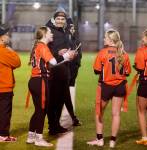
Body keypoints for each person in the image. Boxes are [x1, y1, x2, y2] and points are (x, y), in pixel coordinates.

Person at [26, 26, 75, 147]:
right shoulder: (42, 46)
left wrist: (65, 58)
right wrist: (66, 56)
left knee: (38, 110)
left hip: (35, 81)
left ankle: (31, 136)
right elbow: (53, 62)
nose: (52, 34)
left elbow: (51, 65)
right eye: (50, 33)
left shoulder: (38, 45)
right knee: (42, 110)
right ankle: (39, 138)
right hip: (40, 81)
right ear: (44, 34)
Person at [87, 29, 131, 148]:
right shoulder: (124, 53)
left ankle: (100, 140)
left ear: (111, 40)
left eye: (105, 37)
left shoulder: (103, 52)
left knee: (98, 112)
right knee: (116, 114)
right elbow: (127, 73)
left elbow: (96, 70)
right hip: (120, 87)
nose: (104, 39)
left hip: (106, 86)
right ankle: (112, 141)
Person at [46, 7, 80, 135]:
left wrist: (73, 53)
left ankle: (56, 125)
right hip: (54, 70)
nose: (60, 20)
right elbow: (43, 48)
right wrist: (57, 53)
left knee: (61, 99)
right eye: (58, 18)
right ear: (54, 20)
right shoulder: (48, 31)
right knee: (53, 100)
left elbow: (70, 46)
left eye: (62, 19)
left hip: (65, 69)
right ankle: (52, 126)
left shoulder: (65, 31)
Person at [0, 26, 21, 142]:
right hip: (3, 88)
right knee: (4, 112)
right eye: (6, 34)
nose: (8, 36)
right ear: (2, 38)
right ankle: (3, 135)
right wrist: (11, 51)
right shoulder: (3, 51)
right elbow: (17, 62)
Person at [134, 28, 147, 146]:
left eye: (144, 36)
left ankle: (145, 138)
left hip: (145, 83)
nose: (142, 39)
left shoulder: (142, 50)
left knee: (141, 110)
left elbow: (139, 68)